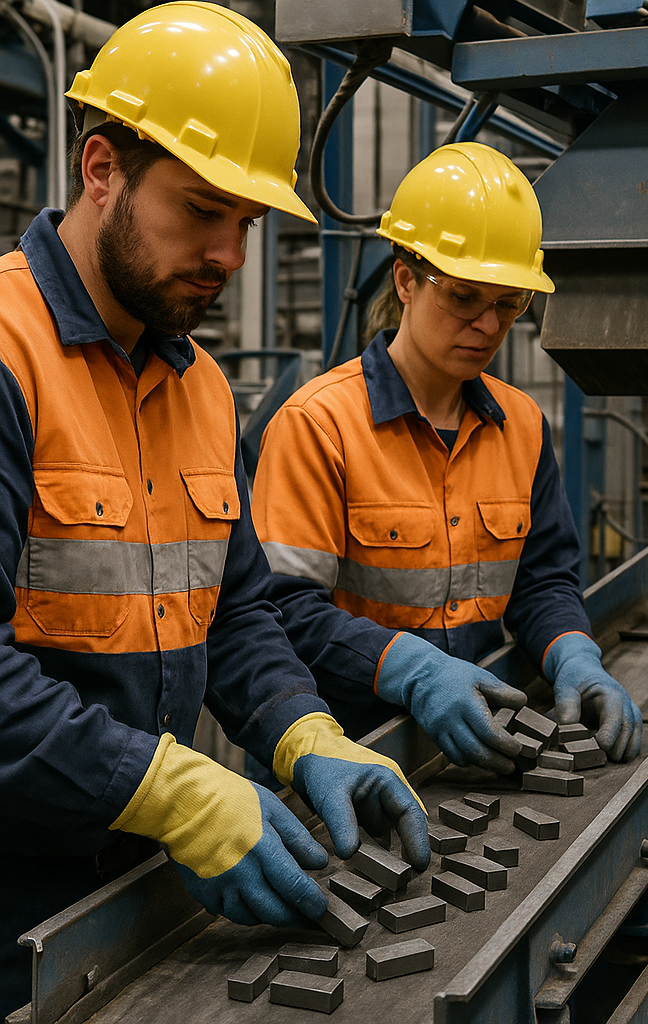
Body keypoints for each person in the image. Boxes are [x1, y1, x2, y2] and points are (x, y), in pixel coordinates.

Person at [0, 5, 429, 1017]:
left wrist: (303, 730)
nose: (230, 256)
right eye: (200, 210)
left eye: (246, 222)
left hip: (137, 885)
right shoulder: (8, 356)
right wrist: (174, 788)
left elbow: (235, 610)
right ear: (100, 169)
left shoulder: (197, 384)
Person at [251, 142, 642, 774]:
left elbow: (542, 581)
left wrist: (575, 655)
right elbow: (280, 612)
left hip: (477, 749)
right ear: (406, 279)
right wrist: (411, 669)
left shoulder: (524, 427)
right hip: (348, 762)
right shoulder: (318, 426)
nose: (487, 326)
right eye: (463, 297)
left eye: (508, 304)